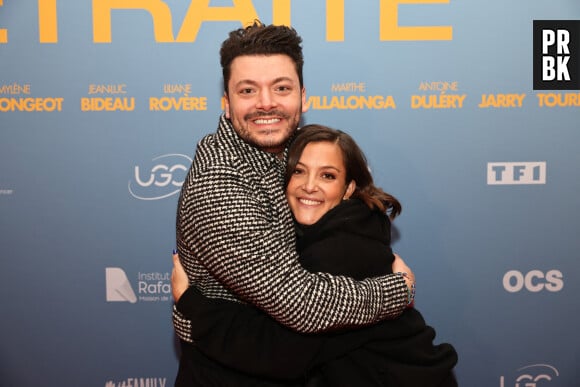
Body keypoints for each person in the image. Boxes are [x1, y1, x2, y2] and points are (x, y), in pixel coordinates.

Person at [173, 21, 417, 385]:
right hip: (231, 374)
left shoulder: (301, 150)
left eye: (281, 88)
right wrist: (396, 289)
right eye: (247, 90)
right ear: (227, 103)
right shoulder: (219, 181)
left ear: (303, 98)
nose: (266, 102)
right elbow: (300, 303)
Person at [172, 124, 458, 386]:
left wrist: (193, 307)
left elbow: (278, 353)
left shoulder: (342, 251)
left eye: (328, 176)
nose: (309, 185)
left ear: (348, 189)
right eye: (298, 171)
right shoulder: (328, 231)